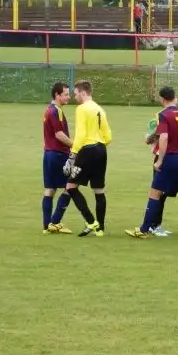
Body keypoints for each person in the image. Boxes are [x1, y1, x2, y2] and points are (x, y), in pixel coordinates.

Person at [126, 86, 178, 239]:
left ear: (161, 99)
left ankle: (143, 230)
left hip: (169, 158)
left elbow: (164, 138)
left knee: (155, 193)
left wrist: (160, 161)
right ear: (174, 97)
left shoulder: (162, 115)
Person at [62, 80, 112, 237]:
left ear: (83, 93)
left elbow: (81, 134)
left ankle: (91, 222)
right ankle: (101, 229)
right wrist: (99, 146)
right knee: (98, 190)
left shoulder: (82, 109)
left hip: (87, 150)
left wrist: (73, 155)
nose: (75, 96)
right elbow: (108, 136)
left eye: (76, 93)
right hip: (101, 149)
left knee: (70, 186)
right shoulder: (99, 109)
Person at [42, 82, 73, 234]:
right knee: (70, 187)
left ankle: (46, 226)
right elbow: (59, 134)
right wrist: (74, 145)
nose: (69, 97)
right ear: (57, 95)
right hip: (59, 154)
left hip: (48, 154)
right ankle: (55, 221)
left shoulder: (48, 109)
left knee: (50, 189)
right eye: (66, 94)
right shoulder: (57, 111)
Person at [144, 110, 174, 237]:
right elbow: (147, 140)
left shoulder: (175, 121)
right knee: (157, 193)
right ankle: (152, 225)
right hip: (160, 158)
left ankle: (155, 224)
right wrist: (157, 132)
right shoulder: (155, 122)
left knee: (164, 193)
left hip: (173, 158)